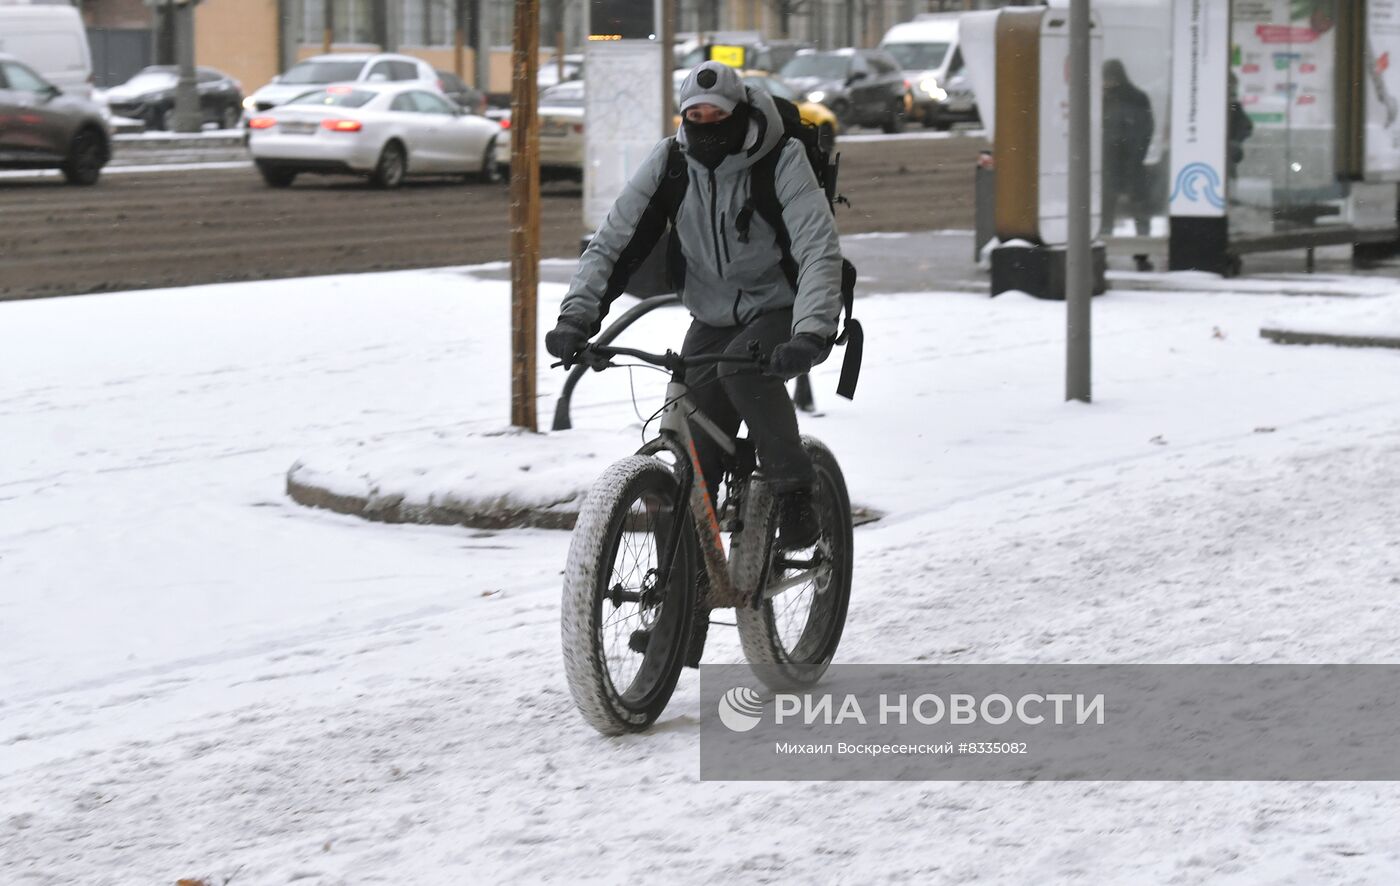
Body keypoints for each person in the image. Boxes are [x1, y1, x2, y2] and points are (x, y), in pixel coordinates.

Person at [544, 61, 845, 549]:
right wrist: (575, 318)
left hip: (781, 309)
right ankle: (683, 597)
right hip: (710, 314)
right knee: (693, 458)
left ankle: (794, 491)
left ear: (739, 113)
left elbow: (817, 249)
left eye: (716, 115)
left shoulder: (781, 159)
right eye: (694, 116)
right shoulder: (671, 162)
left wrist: (810, 332)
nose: (705, 126)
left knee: (743, 373)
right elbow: (613, 242)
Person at [1101, 59, 1155, 271]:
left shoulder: (1109, 99)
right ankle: (1140, 251)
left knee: (1113, 206)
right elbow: (1146, 128)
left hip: (1118, 160)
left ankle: (1139, 251)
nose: (1106, 82)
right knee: (1135, 206)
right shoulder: (1136, 97)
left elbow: (1143, 129)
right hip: (1125, 161)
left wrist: (1134, 153)